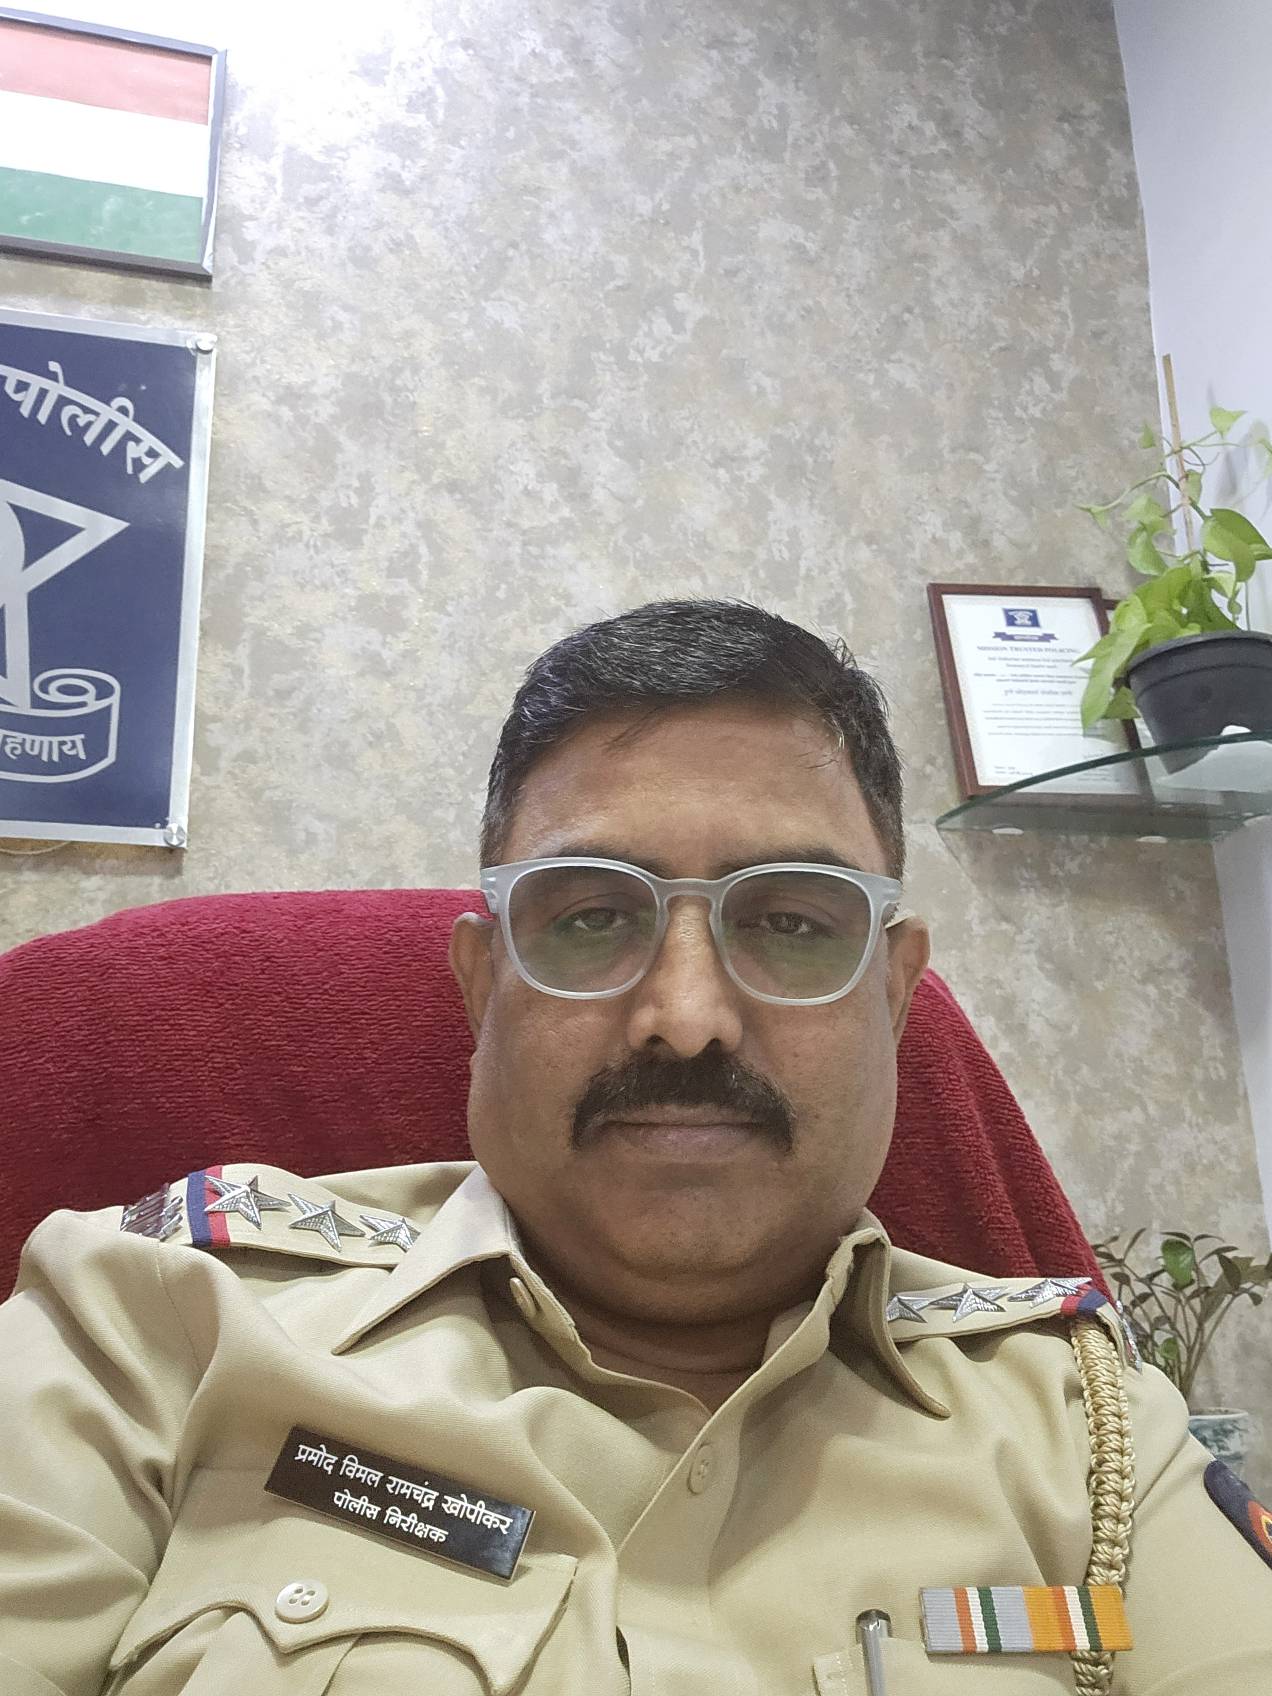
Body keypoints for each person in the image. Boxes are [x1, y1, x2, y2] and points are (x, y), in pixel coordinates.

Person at [1, 600, 1269, 1696]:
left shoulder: (1092, 1430)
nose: (687, 1015)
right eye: (593, 917)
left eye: (792, 922)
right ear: (481, 985)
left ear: (893, 995)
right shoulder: (155, 1322)